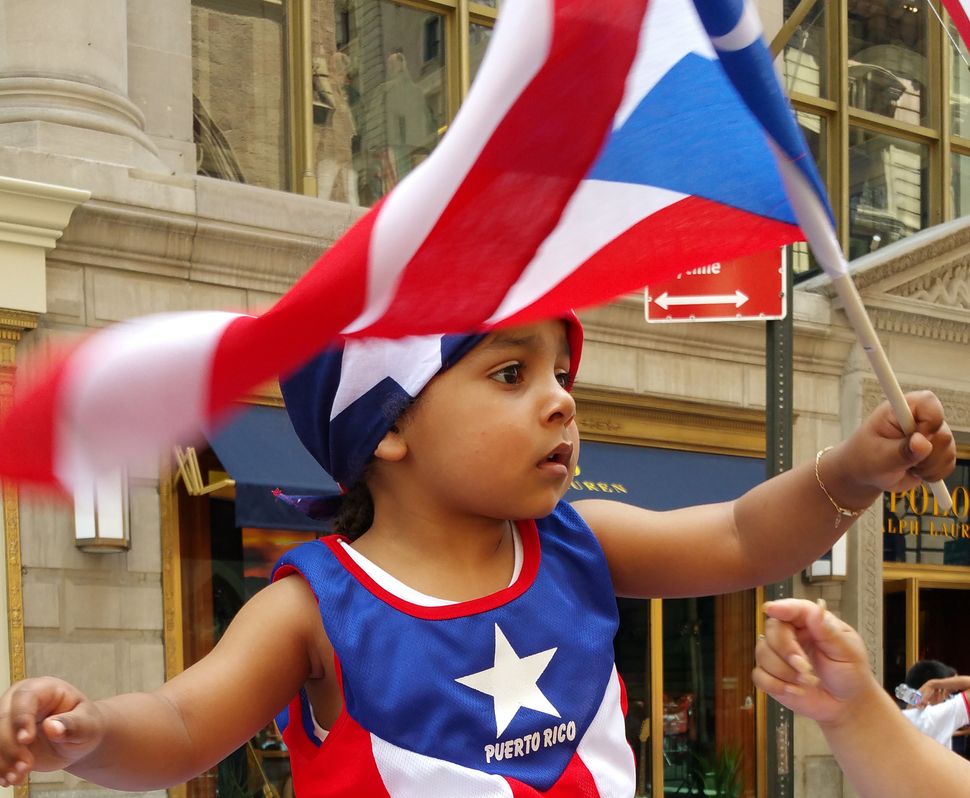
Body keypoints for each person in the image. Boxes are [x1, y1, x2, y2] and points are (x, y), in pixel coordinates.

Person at [0, 316, 955, 794]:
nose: (561, 400)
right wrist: (88, 735)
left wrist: (854, 473)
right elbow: (178, 722)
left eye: (561, 373)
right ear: (387, 429)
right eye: (510, 373)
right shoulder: (313, 607)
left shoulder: (580, 542)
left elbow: (745, 535)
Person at [754, 599, 970, 798]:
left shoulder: (904, 715)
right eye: (948, 689)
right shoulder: (937, 714)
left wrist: (851, 707)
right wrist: (937, 684)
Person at [898, 659, 970, 750]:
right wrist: (932, 684)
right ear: (938, 691)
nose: (946, 698)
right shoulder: (934, 716)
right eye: (947, 693)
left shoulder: (898, 718)